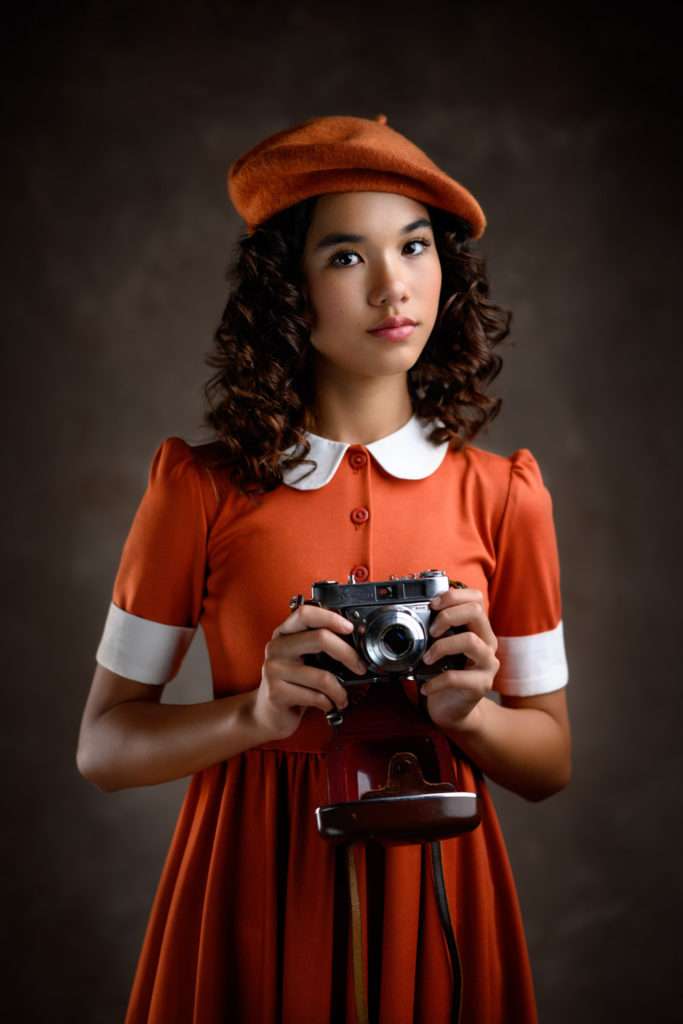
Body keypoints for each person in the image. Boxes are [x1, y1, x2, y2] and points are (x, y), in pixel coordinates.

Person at [76, 113, 571, 1024]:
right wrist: (256, 715)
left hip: (441, 893)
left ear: (443, 271)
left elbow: (549, 762)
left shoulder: (506, 496)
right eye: (347, 257)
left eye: (414, 247)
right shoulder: (199, 490)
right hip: (252, 882)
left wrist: (474, 714)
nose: (393, 287)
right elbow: (102, 747)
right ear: (287, 290)